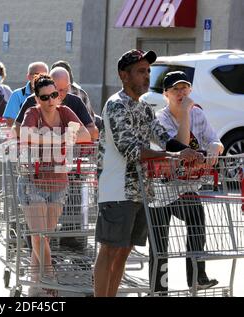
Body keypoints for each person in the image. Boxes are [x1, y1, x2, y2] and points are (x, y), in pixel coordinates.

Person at [93, 49, 202, 297]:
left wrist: (189, 152)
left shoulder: (143, 107)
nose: (147, 77)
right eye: (141, 71)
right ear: (124, 75)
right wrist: (174, 156)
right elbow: (130, 150)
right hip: (116, 189)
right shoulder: (116, 105)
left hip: (141, 190)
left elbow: (163, 138)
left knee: (124, 250)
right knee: (109, 250)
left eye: (148, 72)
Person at [148, 71, 223, 293]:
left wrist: (215, 147)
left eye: (184, 88)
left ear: (190, 90)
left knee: (197, 219)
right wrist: (184, 115)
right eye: (175, 89)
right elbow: (180, 147)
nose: (181, 93)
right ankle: (159, 287)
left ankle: (197, 276)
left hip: (185, 186)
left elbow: (215, 140)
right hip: (160, 187)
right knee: (160, 243)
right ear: (166, 94)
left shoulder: (198, 114)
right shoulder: (160, 119)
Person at [18, 74, 91, 297]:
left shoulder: (65, 112)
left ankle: (34, 285)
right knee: (39, 234)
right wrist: (59, 138)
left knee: (44, 236)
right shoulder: (33, 113)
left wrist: (46, 137)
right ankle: (50, 278)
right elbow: (23, 134)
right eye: (45, 97)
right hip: (33, 179)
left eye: (54, 95)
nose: (51, 100)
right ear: (37, 98)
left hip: (59, 181)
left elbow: (86, 135)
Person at [15, 67, 98, 140]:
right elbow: (17, 129)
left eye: (62, 90)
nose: (58, 94)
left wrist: (66, 138)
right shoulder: (31, 103)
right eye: (55, 90)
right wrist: (55, 139)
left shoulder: (72, 104)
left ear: (69, 87)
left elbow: (92, 132)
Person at [2, 62, 48, 127]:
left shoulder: (52, 96)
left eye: (44, 75)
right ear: (28, 76)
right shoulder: (17, 95)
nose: (41, 78)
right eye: (37, 75)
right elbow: (10, 122)